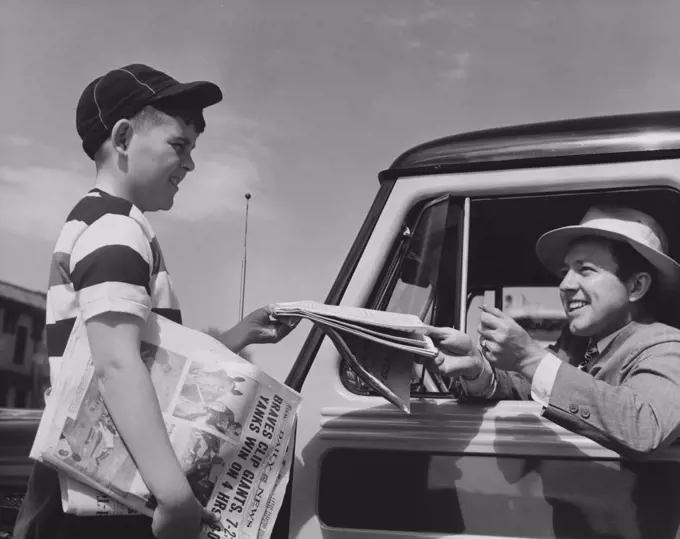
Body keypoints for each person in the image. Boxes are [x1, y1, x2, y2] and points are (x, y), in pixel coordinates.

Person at [13, 64, 298, 539]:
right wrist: (174, 495)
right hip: (102, 492)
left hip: (99, 482)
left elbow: (147, 358)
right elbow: (117, 366)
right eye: (178, 145)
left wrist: (234, 338)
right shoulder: (117, 229)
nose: (189, 164)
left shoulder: (103, 222)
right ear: (123, 138)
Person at [425, 205, 680, 459]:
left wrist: (529, 358)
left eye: (585, 270)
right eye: (564, 271)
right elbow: (527, 388)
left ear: (636, 286)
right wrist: (476, 368)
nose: (565, 285)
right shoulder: (577, 343)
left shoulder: (668, 346)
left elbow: (646, 428)